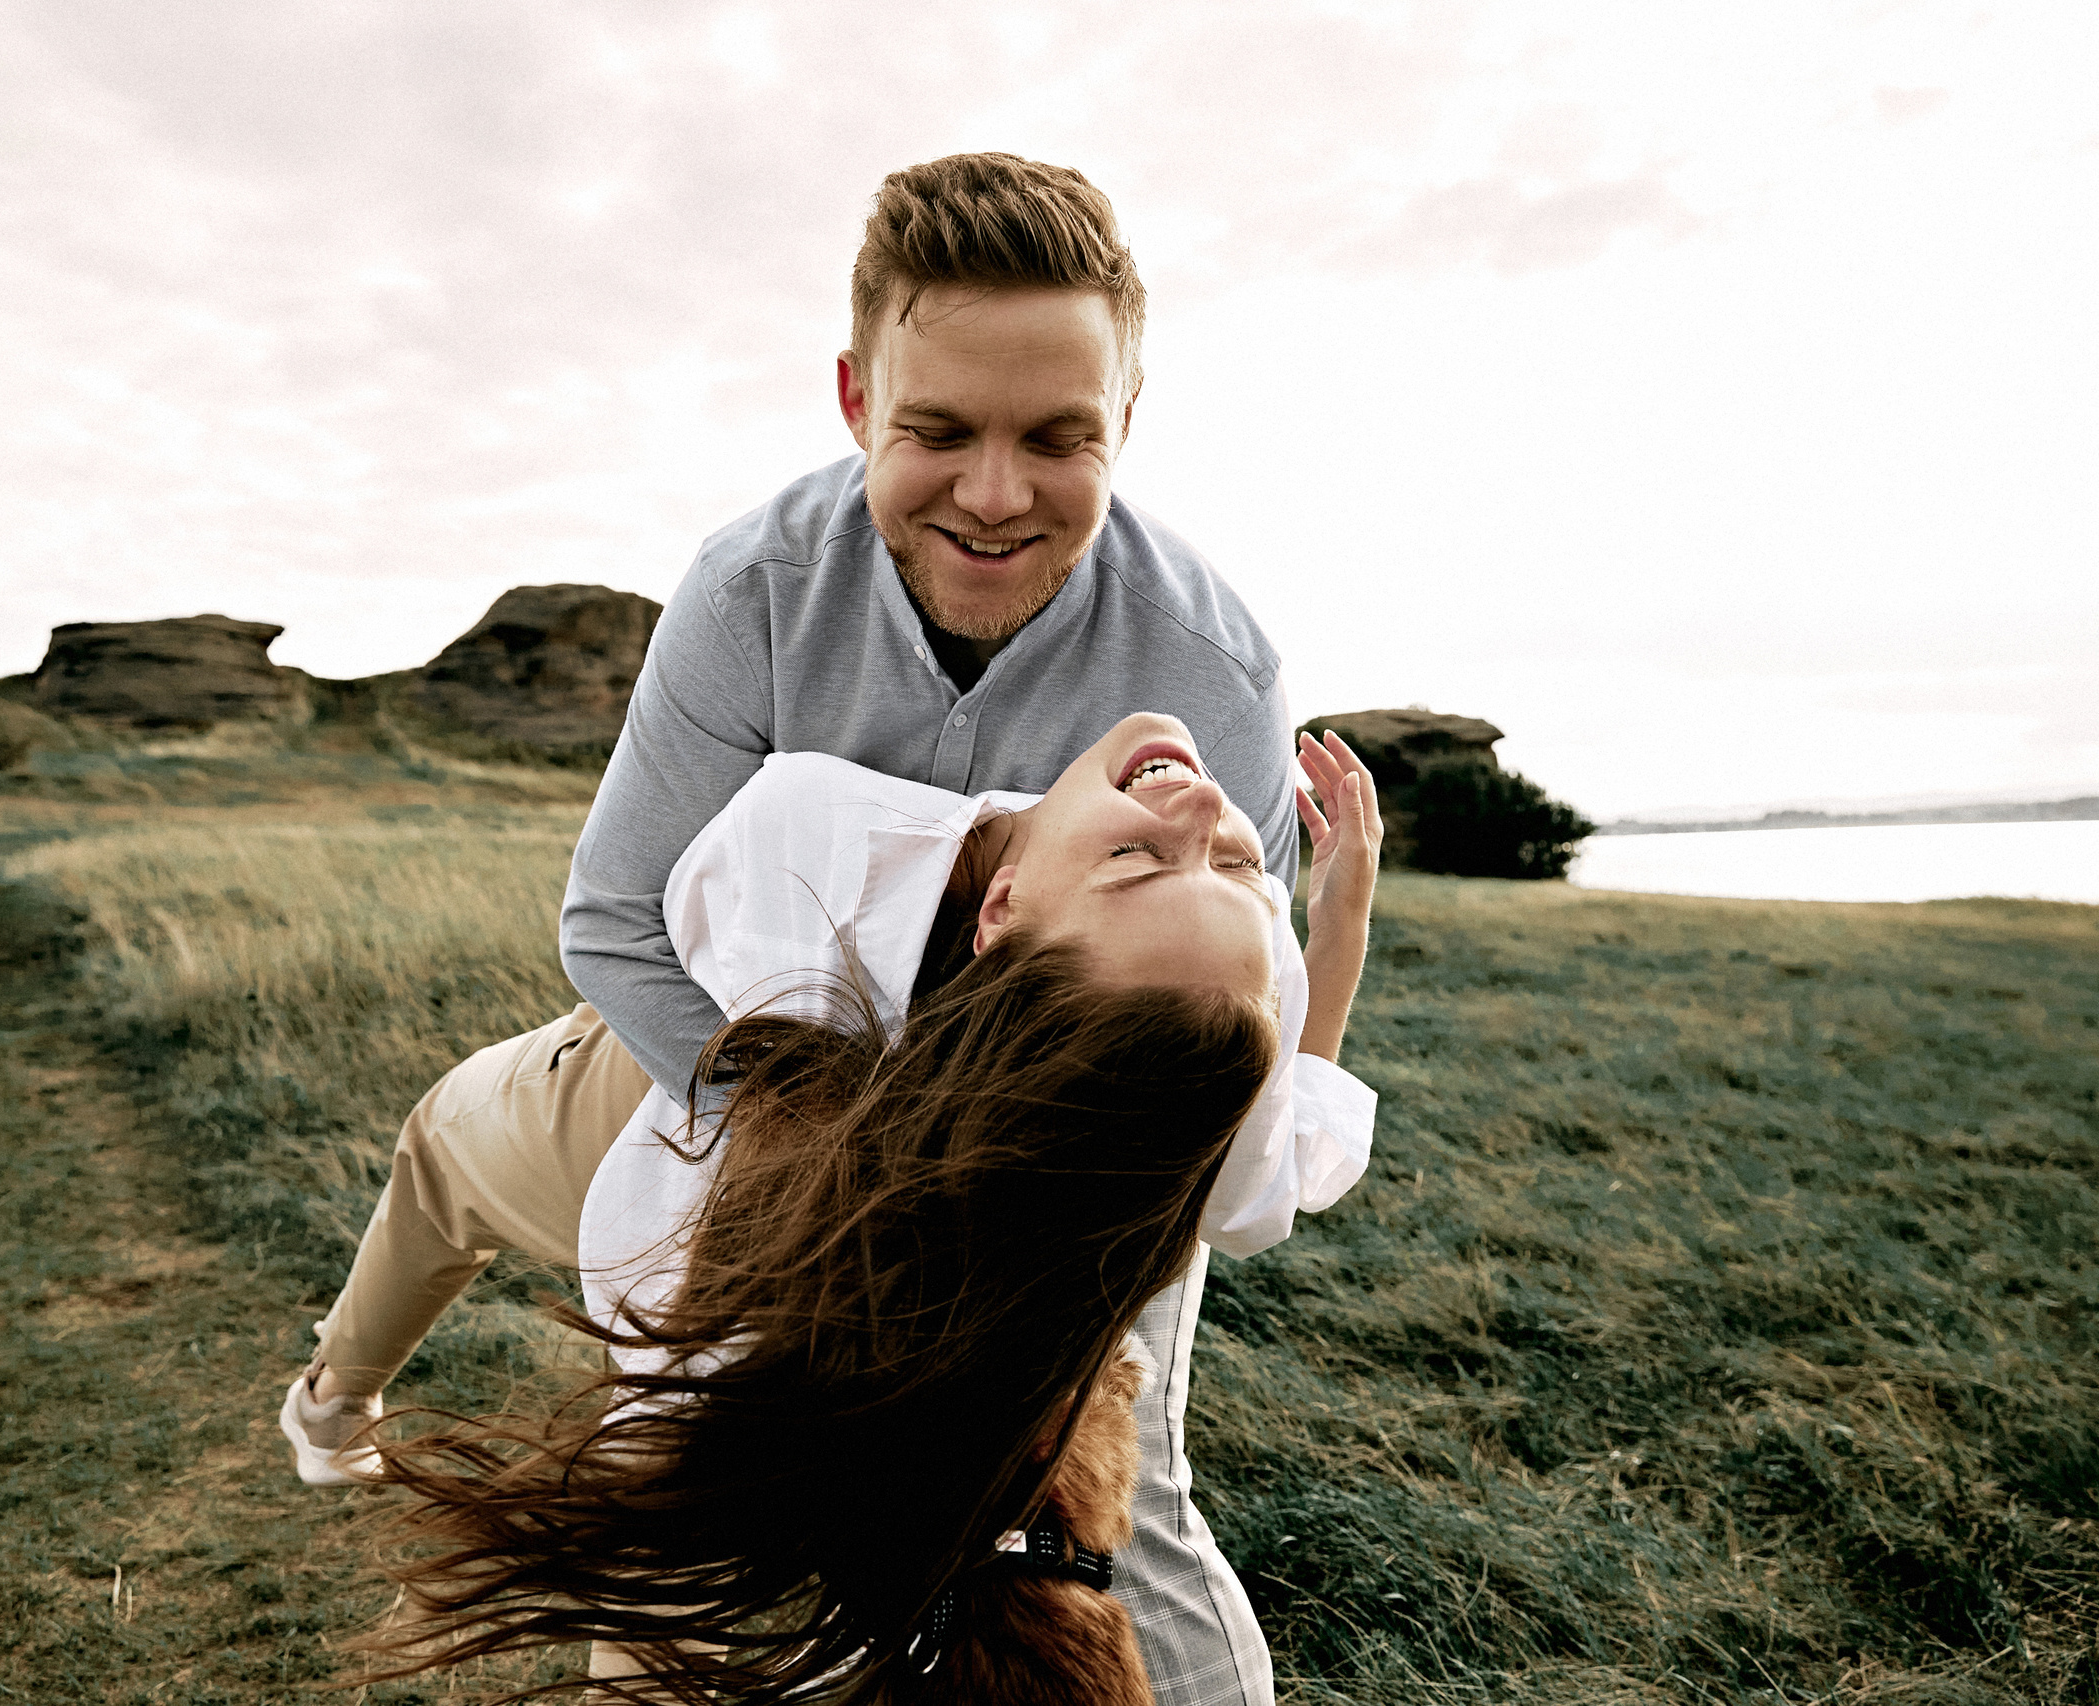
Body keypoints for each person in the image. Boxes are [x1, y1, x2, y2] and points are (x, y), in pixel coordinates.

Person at [295, 151, 1328, 1705]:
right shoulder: (752, 592)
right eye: (937, 430)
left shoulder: (1217, 673)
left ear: (1128, 420)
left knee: (1133, 1503)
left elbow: (1212, 1036)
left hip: (1055, 1165)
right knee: (483, 1180)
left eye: (1059, 436)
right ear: (855, 400)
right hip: (758, 1072)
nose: (994, 492)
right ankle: (334, 1400)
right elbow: (615, 920)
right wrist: (819, 1149)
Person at [323, 716, 1380, 1702]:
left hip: (676, 1105)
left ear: (1000, 909)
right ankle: (337, 1400)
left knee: (439, 1147)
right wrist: (1335, 918)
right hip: (724, 1096)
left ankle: (330, 1399)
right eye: (1241, 865)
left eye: (1141, 862)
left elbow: (675, 1440)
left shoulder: (816, 853)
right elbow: (1274, 1176)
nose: (1205, 818)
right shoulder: (1222, 1005)